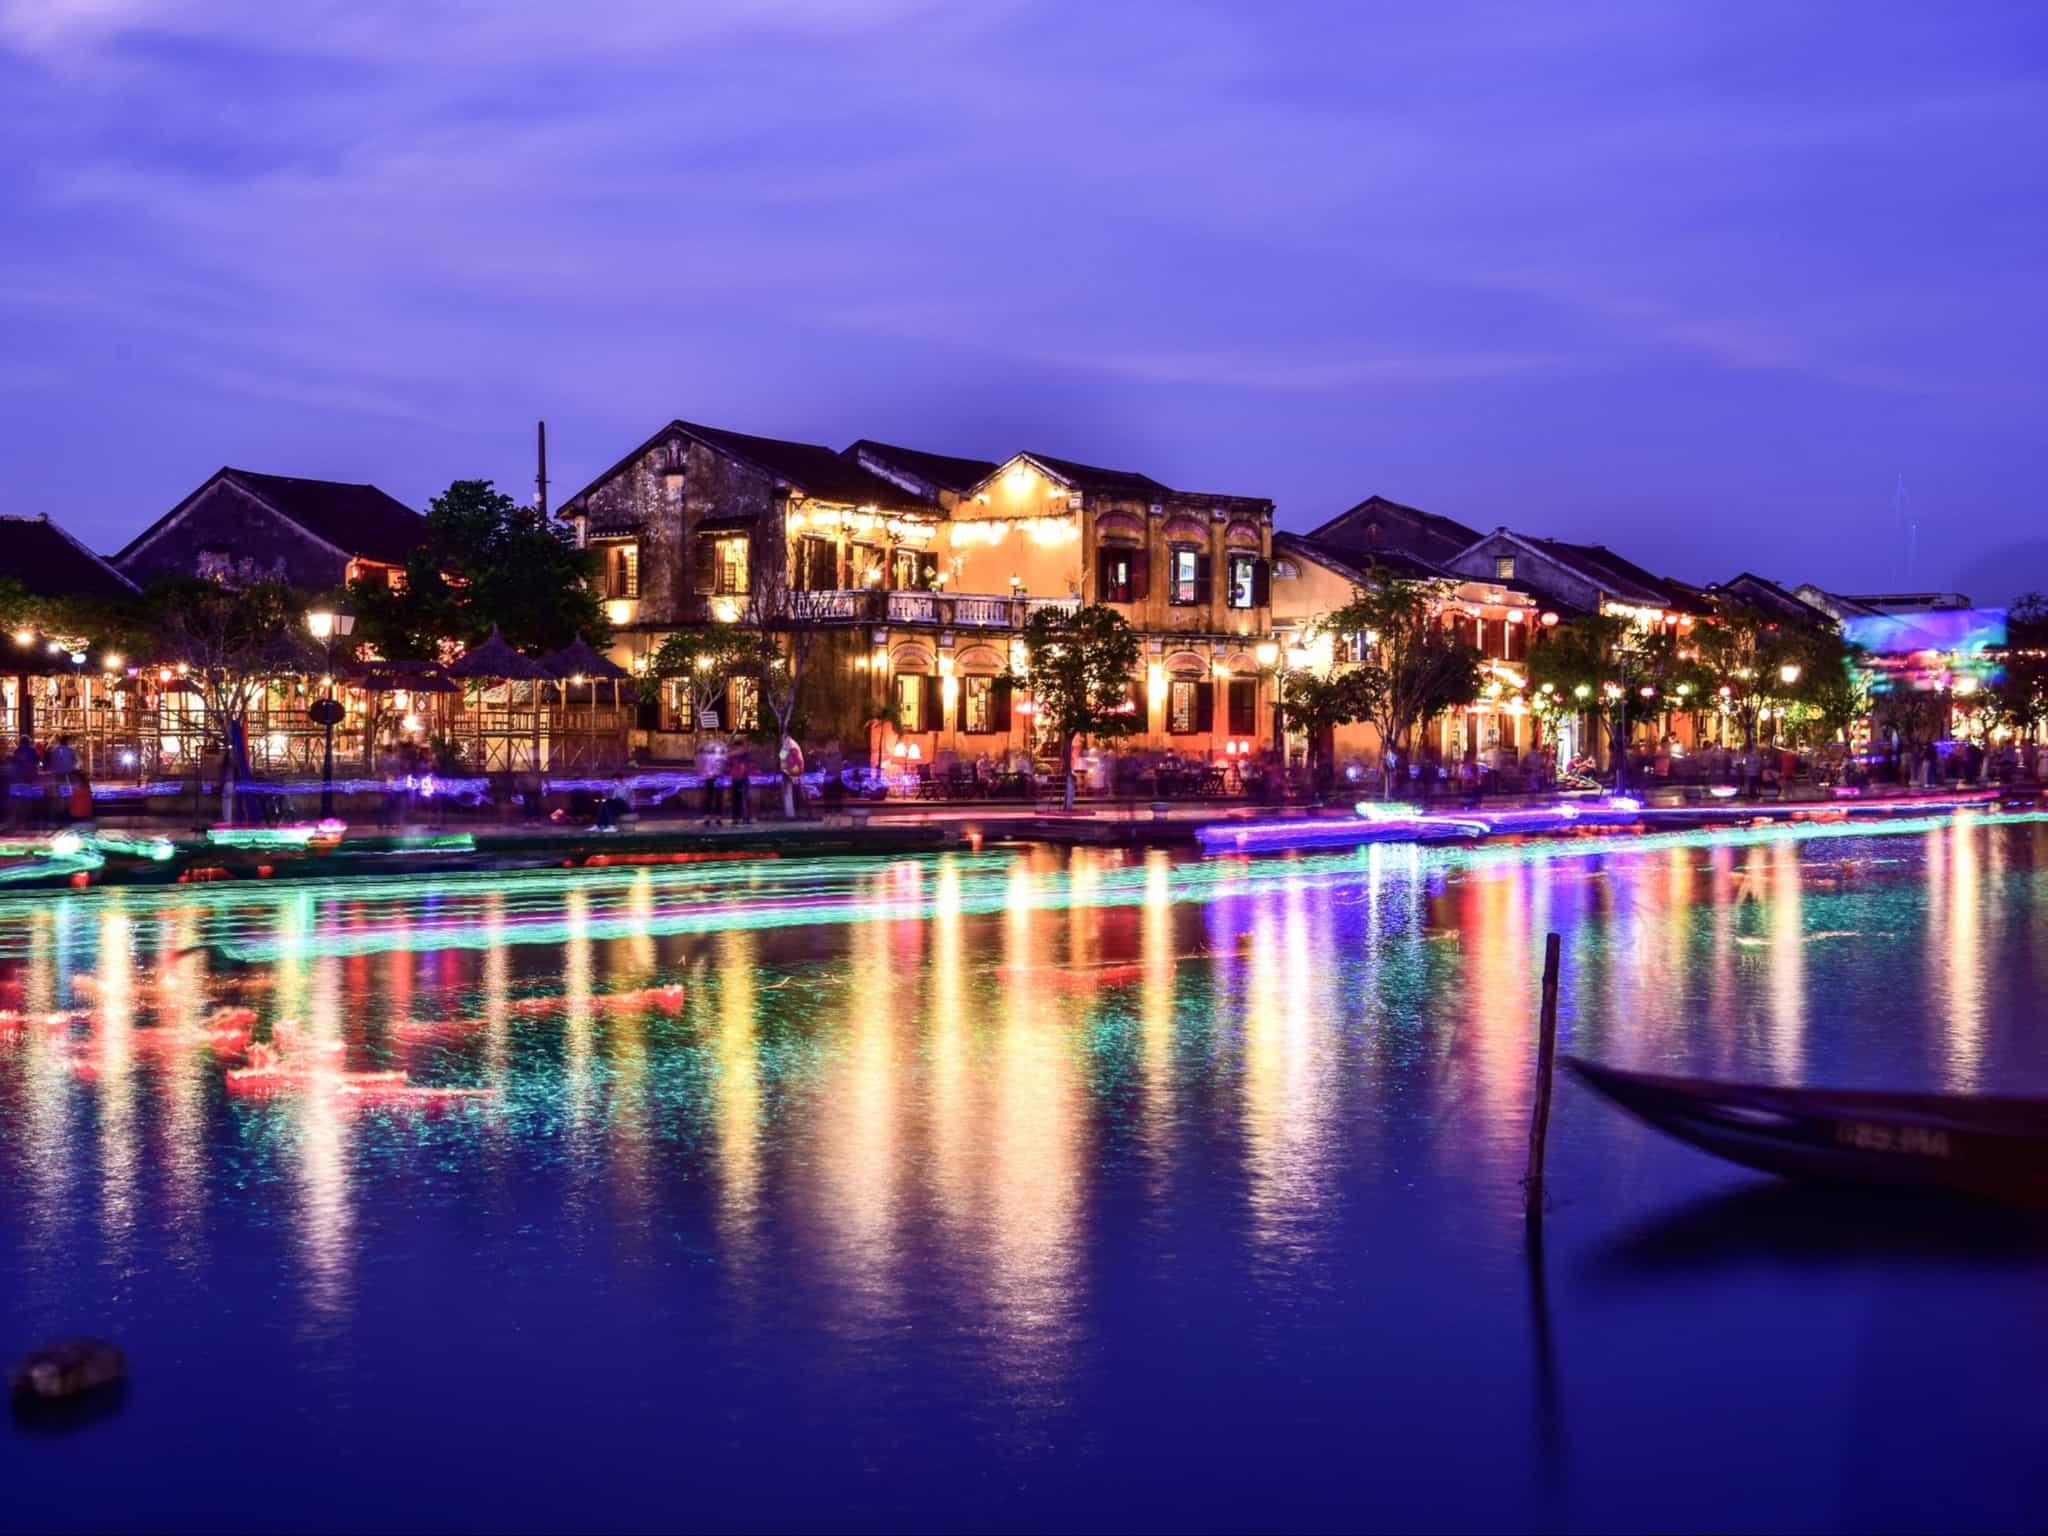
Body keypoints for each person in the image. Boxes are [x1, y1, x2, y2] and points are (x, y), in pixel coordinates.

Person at [729, 741, 753, 824]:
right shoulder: (733, 757)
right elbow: (729, 765)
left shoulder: (745, 756)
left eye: (738, 748)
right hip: (735, 779)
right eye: (735, 748)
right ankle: (736, 818)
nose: (737, 750)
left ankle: (745, 817)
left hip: (743, 779)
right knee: (736, 799)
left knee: (744, 799)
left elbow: (747, 766)